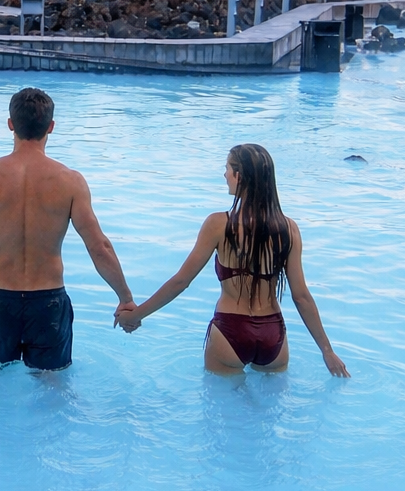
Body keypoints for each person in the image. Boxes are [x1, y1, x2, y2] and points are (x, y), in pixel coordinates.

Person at [0, 87, 134, 371]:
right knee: (52, 388)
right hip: (48, 303)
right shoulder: (70, 181)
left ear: (10, 124)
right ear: (51, 127)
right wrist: (125, 298)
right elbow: (99, 247)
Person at [116, 143, 349, 377]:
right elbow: (301, 296)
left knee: (224, 409)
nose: (224, 175)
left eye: (227, 168)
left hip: (230, 331)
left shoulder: (218, 224)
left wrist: (135, 316)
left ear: (239, 175)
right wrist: (327, 351)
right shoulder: (289, 229)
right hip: (273, 333)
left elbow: (181, 282)